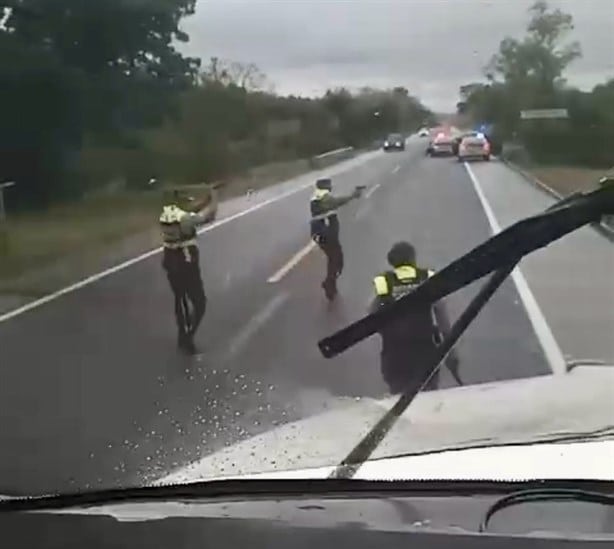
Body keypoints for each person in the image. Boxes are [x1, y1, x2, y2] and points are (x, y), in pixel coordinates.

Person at [369, 241, 462, 395]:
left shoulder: (384, 282)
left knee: (399, 394)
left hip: (395, 351)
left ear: (392, 261)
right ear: (413, 259)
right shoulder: (427, 277)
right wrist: (450, 350)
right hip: (424, 348)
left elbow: (372, 313)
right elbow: (442, 316)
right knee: (429, 393)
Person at [159, 186, 217, 355]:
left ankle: (182, 334)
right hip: (187, 264)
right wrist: (214, 199)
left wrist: (205, 199)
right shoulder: (185, 218)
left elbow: (190, 211)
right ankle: (187, 337)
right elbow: (209, 216)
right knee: (200, 303)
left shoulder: (166, 214)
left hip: (170, 262)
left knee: (180, 300)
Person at [310, 177, 363, 300]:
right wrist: (353, 195)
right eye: (329, 184)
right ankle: (329, 284)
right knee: (336, 260)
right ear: (325, 186)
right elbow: (335, 202)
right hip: (326, 233)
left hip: (324, 233)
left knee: (335, 259)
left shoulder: (319, 195)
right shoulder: (322, 196)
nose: (331, 186)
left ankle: (330, 283)